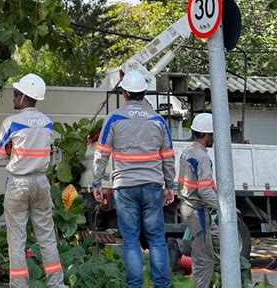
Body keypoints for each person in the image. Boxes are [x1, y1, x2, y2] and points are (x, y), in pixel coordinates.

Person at [92, 70, 175, 288]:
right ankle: (162, 285)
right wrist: (170, 186)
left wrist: (96, 183)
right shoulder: (158, 120)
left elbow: (101, 153)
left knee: (130, 241)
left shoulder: (115, 118)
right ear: (144, 92)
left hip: (125, 188)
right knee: (157, 239)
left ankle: (135, 286)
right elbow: (168, 156)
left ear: (125, 93)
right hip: (153, 186)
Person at [0, 73, 63, 288]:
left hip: (18, 184)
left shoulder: (11, 122)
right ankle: (56, 284)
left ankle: (20, 285)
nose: (13, 97)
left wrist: (12, 151)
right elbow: (47, 151)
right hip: (41, 183)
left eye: (15, 93)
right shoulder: (47, 123)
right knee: (47, 239)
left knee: (17, 241)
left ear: (24, 97)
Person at [178, 113, 220, 288]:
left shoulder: (187, 152)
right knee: (204, 262)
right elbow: (203, 189)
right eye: (213, 135)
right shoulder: (202, 156)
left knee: (220, 241)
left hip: (188, 207)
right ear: (207, 135)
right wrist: (223, 208)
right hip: (197, 211)